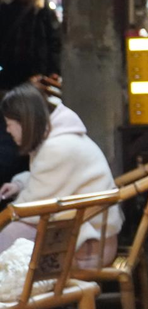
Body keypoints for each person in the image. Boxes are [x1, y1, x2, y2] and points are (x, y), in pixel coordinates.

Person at [0, 83, 123, 268]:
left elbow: (29, 208)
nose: (8, 130)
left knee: (11, 233)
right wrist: (19, 184)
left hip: (89, 248)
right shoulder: (59, 138)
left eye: (9, 124)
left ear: (25, 121)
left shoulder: (57, 148)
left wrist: (5, 217)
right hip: (91, 237)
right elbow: (48, 179)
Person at [0, 0, 62, 185]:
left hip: (37, 79)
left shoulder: (43, 10)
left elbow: (55, 43)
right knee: (11, 127)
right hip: (11, 80)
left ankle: (29, 172)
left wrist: (53, 72)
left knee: (32, 124)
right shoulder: (6, 12)